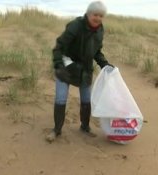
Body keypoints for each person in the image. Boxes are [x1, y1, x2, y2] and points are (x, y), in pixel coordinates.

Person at [46, 1, 114, 142]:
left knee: (86, 100)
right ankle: (56, 130)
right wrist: (59, 66)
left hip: (85, 69)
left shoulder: (100, 30)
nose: (98, 18)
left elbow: (97, 52)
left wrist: (104, 64)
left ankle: (85, 127)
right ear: (89, 14)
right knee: (60, 98)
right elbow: (58, 47)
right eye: (95, 14)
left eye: (101, 16)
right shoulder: (75, 26)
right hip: (66, 66)